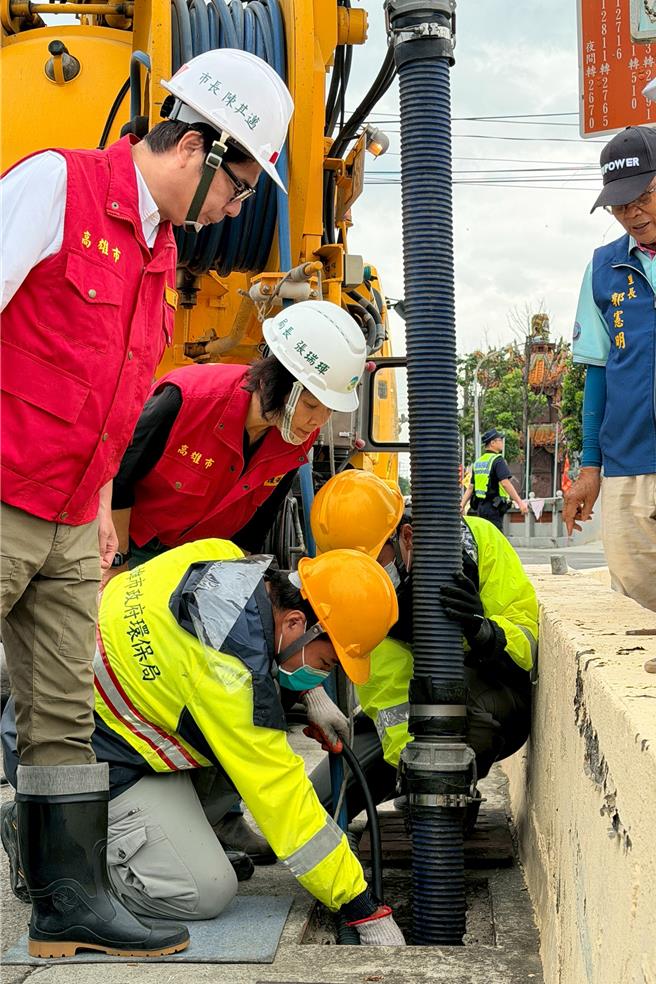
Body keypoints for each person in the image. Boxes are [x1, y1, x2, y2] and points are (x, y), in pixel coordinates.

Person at [0, 48, 293, 957]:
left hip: (70, 516)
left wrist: (94, 504)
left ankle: (68, 908)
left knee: (59, 716)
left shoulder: (159, 255)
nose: (236, 209)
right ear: (200, 144)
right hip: (6, 490)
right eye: (239, 186)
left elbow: (114, 390)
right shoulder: (57, 186)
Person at [2, 540, 406, 946]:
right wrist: (360, 907)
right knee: (206, 889)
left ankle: (154, 837)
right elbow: (286, 805)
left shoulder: (225, 556)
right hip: (68, 763)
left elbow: (252, 650)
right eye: (324, 665)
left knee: (232, 759)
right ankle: (47, 846)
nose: (320, 676)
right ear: (297, 623)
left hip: (69, 714)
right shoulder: (226, 678)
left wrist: (307, 696)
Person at [306, 471, 538, 825]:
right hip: (410, 710)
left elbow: (527, 642)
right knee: (314, 811)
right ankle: (431, 788)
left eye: (370, 565)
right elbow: (388, 695)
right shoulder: (359, 598)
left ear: (407, 537)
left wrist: (483, 631)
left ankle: (453, 791)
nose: (360, 579)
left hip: (492, 698)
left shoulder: (479, 543)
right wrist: (414, 770)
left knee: (455, 749)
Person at [108, 300, 367, 572]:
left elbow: (260, 520)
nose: (318, 422)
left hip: (198, 563)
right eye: (311, 405)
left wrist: (229, 581)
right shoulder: (186, 400)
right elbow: (119, 477)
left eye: (330, 411)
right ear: (273, 382)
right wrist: (117, 560)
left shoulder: (295, 437)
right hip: (131, 543)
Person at [563, 126, 656, 672]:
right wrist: (590, 465)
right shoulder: (603, 268)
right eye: (620, 205)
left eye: (642, 197)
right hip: (627, 461)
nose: (632, 213)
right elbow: (596, 373)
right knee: (635, 588)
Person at [461, 428, 528, 533]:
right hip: (494, 508)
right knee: (496, 539)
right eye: (499, 440)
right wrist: (520, 503)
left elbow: (470, 487)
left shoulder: (478, 462)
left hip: (480, 508)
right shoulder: (497, 460)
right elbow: (505, 483)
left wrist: (462, 505)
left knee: (485, 537)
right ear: (492, 443)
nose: (502, 442)